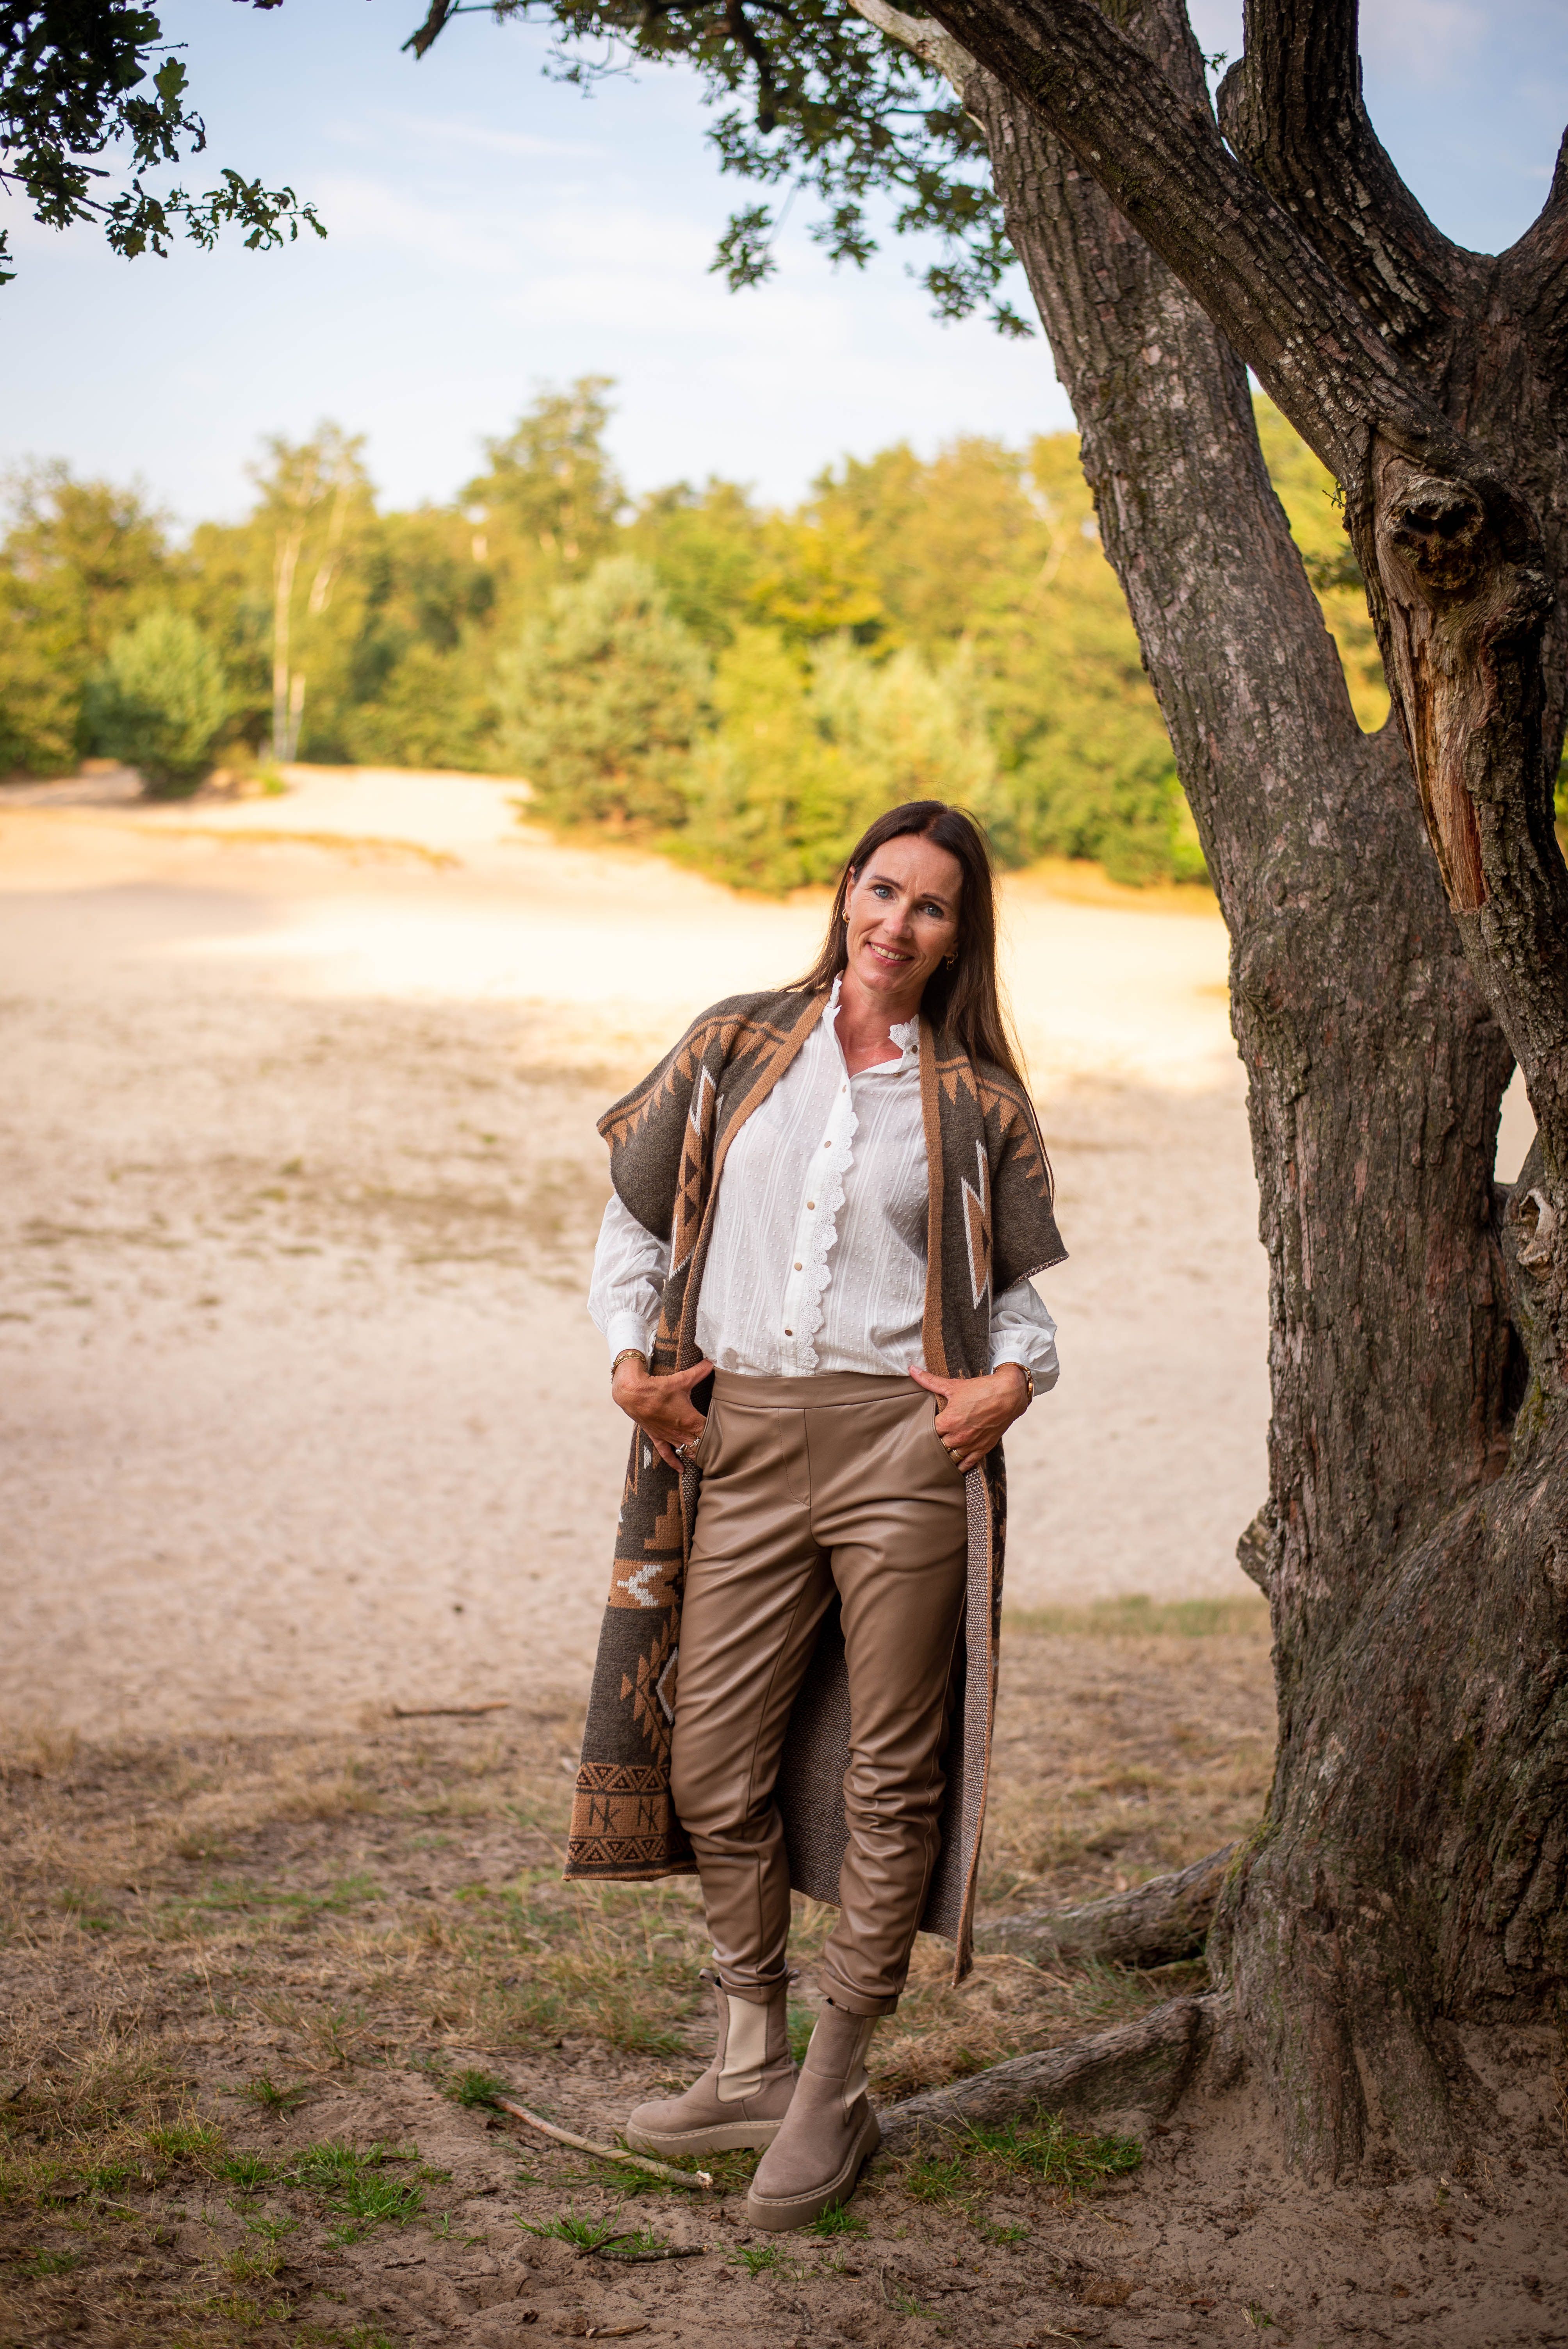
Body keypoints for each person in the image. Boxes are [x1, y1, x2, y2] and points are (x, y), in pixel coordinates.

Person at [571, 800, 1065, 2230]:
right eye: (883, 889)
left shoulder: (976, 1102)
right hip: (738, 1436)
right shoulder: (734, 1044)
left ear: (958, 938)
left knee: (890, 1779)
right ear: (846, 890)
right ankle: (748, 2059)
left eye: (932, 906)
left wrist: (1010, 1387)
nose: (897, 923)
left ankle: (834, 2087)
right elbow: (636, 1226)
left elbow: (1017, 1308)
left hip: (903, 1449)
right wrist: (630, 1362)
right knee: (711, 1761)